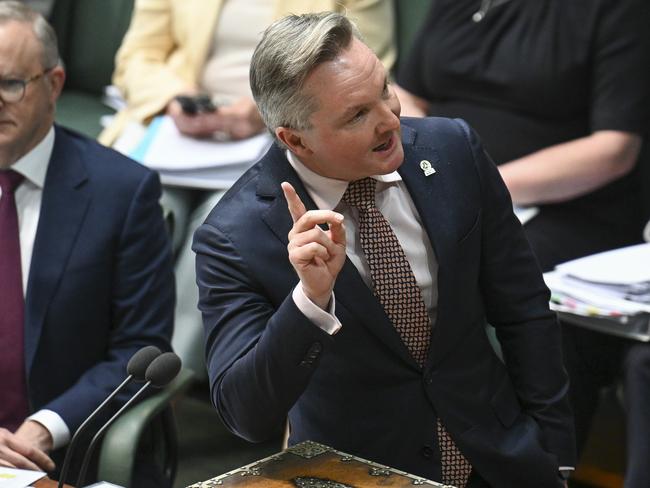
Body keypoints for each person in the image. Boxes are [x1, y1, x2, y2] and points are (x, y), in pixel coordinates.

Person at [193, 12, 575, 488]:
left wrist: (555, 453)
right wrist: (309, 301)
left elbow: (524, 310)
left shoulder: (453, 149)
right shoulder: (235, 236)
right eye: (357, 114)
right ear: (294, 139)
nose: (389, 119)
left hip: (499, 458)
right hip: (356, 474)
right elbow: (244, 414)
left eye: (384, 89)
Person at [394, 1, 650, 485]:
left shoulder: (615, 11)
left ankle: (521, 468)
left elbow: (614, 148)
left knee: (500, 269)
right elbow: (408, 92)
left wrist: (479, 184)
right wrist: (429, 166)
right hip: (438, 180)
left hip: (571, 207)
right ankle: (398, 457)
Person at [98, 0, 396, 377]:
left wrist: (262, 114)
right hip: (174, 131)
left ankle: (161, 388)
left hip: (279, 132)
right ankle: (98, 371)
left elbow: (362, 65)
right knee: (141, 210)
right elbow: (137, 55)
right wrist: (175, 99)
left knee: (218, 230)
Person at [0, 2, 174, 485]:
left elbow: (140, 350)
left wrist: (41, 428)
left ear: (54, 84)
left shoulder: (121, 193)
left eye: (10, 84)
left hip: (62, 457)